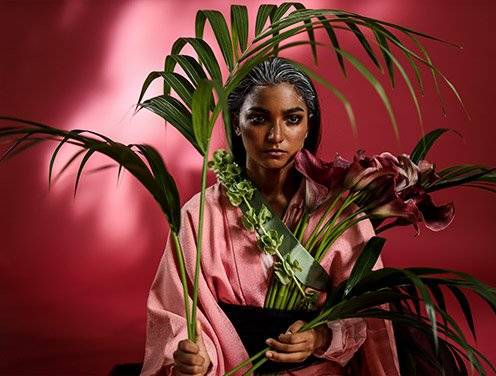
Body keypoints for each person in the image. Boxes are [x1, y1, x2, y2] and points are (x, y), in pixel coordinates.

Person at [140, 57, 400, 376]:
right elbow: (176, 310)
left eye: (292, 119)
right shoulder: (199, 215)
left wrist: (320, 336)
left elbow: (368, 310)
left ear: (308, 126)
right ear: (237, 122)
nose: (275, 136)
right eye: (259, 118)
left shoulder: (341, 215)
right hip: (230, 367)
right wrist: (192, 354)